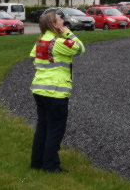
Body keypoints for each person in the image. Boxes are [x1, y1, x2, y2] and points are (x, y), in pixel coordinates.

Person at [30, 11, 85, 172]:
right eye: (60, 20)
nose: (63, 21)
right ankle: (51, 166)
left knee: (43, 127)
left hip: (39, 89)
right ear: (54, 25)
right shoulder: (59, 42)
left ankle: (37, 162)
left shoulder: (40, 40)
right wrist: (67, 32)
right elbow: (80, 49)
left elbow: (34, 56)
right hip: (56, 92)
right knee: (55, 129)